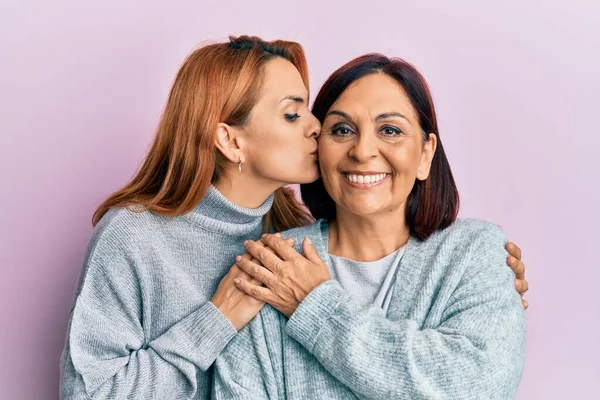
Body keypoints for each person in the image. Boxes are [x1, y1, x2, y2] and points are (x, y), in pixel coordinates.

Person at [60, 37, 528, 399]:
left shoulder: (282, 237)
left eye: (389, 129)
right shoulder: (159, 241)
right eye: (293, 114)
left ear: (427, 152)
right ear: (230, 140)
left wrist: (486, 283)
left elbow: (478, 377)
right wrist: (219, 318)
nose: (316, 128)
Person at [214, 54, 527, 399]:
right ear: (319, 147)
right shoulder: (272, 264)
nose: (362, 151)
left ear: (425, 155)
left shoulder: (474, 252)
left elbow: (480, 388)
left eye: (390, 130)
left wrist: (317, 306)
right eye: (342, 130)